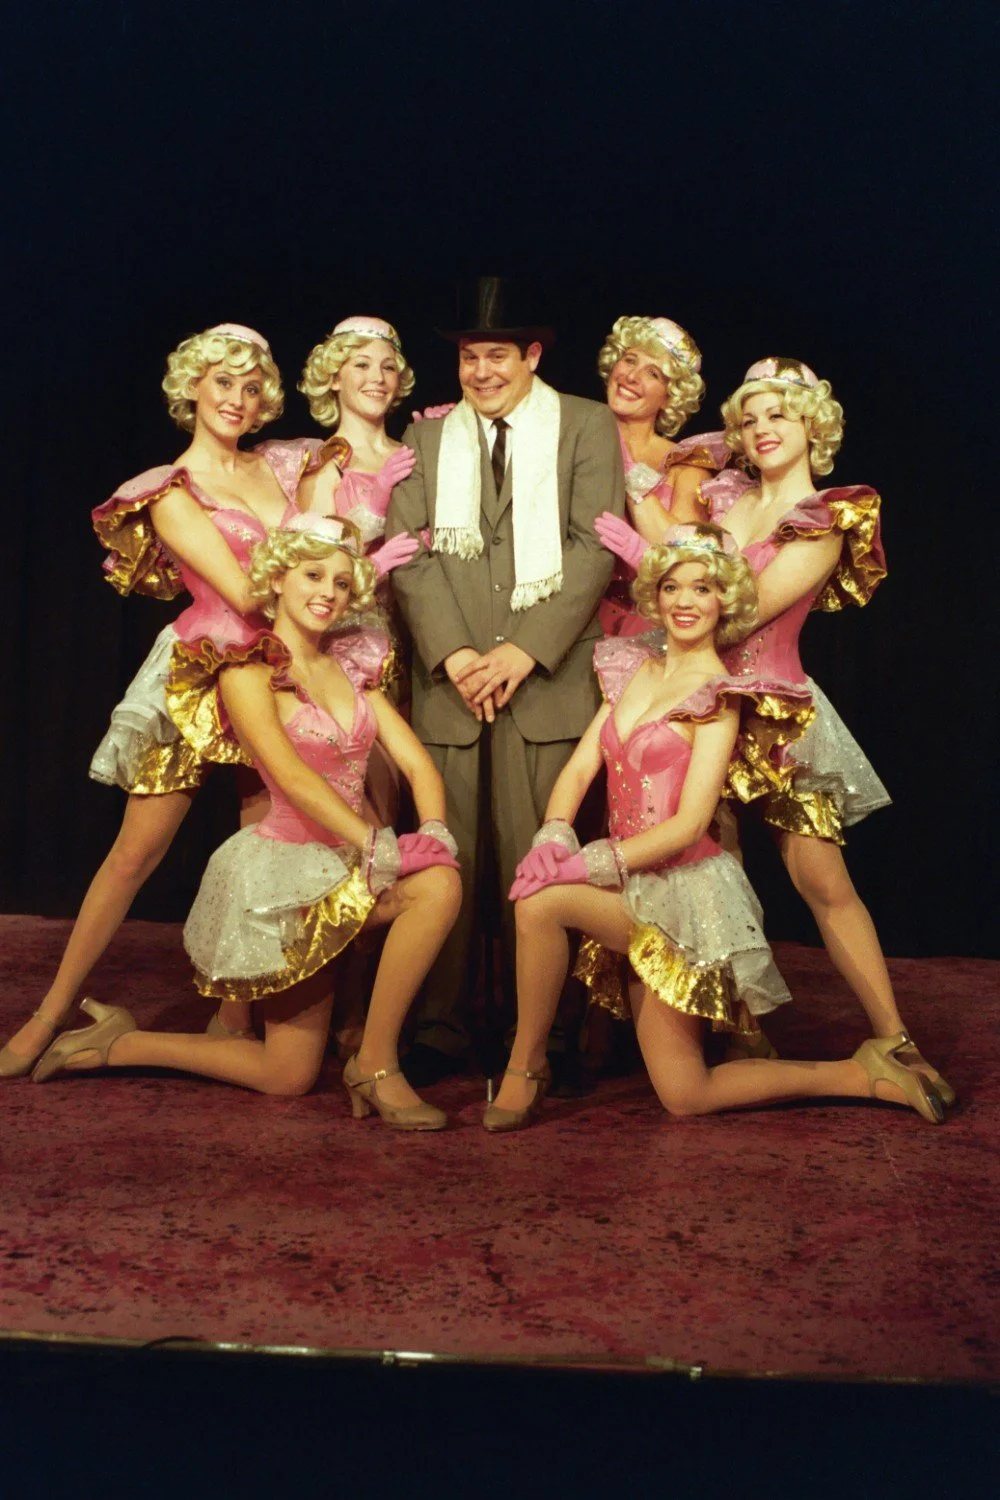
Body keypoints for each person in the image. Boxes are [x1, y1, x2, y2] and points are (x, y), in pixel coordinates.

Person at [486, 527, 947, 1129]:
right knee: (685, 1093)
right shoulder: (631, 670)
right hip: (626, 881)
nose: (684, 600)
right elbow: (578, 772)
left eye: (701, 588)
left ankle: (526, 1067)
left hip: (681, 897)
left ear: (723, 599)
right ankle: (861, 1073)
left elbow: (689, 825)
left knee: (545, 909)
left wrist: (583, 866)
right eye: (672, 586)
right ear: (655, 595)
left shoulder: (720, 697)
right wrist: (552, 838)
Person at [596, 357, 953, 1104]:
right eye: (750, 418)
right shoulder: (724, 498)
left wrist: (649, 545)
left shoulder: (825, 517)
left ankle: (893, 1035)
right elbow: (683, 580)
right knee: (708, 864)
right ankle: (741, 1026)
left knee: (820, 878)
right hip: (698, 703)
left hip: (775, 709)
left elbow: (738, 607)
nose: (761, 430)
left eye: (778, 416)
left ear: (812, 426)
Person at [31, 516, 463, 1127]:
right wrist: (373, 841)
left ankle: (376, 1061)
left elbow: (418, 763)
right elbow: (289, 775)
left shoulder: (350, 670)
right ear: (278, 579)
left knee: (442, 883)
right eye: (314, 575)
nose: (329, 592)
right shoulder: (245, 670)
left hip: (356, 866)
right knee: (288, 1077)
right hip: (283, 885)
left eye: (342, 583)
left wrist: (436, 830)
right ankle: (122, 1042)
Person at [0, 324, 297, 1078]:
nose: (236, 398)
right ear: (191, 388)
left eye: (250, 385)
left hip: (280, 672)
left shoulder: (284, 469)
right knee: (136, 851)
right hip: (200, 673)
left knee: (259, 847)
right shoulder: (167, 490)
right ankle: (50, 1010)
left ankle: (234, 1020)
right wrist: (319, 558)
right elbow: (241, 593)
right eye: (221, 382)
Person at [385, 277, 626, 1084]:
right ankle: (441, 1026)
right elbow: (411, 548)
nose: (482, 371)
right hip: (451, 681)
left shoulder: (586, 426)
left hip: (544, 681)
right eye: (468, 356)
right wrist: (454, 654)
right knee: (443, 859)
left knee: (537, 862)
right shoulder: (423, 442)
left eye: (497, 355)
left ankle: (544, 1033)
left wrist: (525, 649)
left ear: (531, 355)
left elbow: (594, 548)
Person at [597, 315, 737, 636]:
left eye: (652, 373)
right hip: (572, 614)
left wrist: (630, 468)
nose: (632, 376)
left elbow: (682, 561)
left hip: (646, 625)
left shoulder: (686, 463)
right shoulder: (570, 435)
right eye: (629, 360)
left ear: (670, 395)